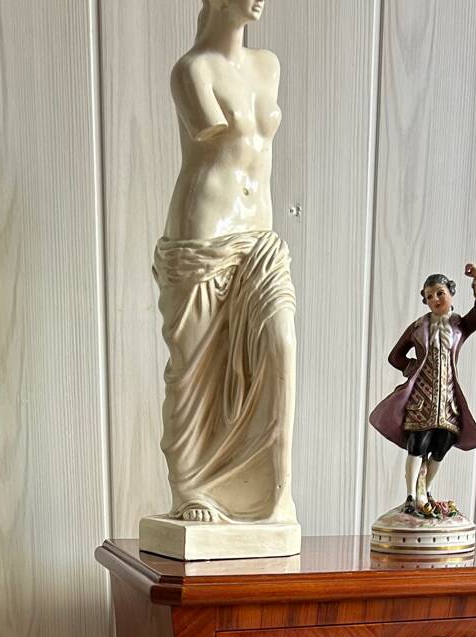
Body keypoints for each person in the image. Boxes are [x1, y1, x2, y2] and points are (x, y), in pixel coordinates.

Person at [154, 0, 297, 530]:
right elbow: (212, 137)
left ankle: (273, 496)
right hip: (204, 233)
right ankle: (192, 486)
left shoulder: (269, 65)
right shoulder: (192, 71)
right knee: (194, 374)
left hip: (259, 236)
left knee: (280, 344)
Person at [369, 263, 476, 516]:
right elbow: (395, 357)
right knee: (416, 446)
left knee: (441, 447)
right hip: (421, 399)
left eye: (439, 293)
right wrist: (413, 368)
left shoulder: (459, 325)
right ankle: (411, 496)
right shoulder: (418, 327)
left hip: (447, 401)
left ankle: (426, 489)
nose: (435, 299)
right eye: (429, 296)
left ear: (451, 293)